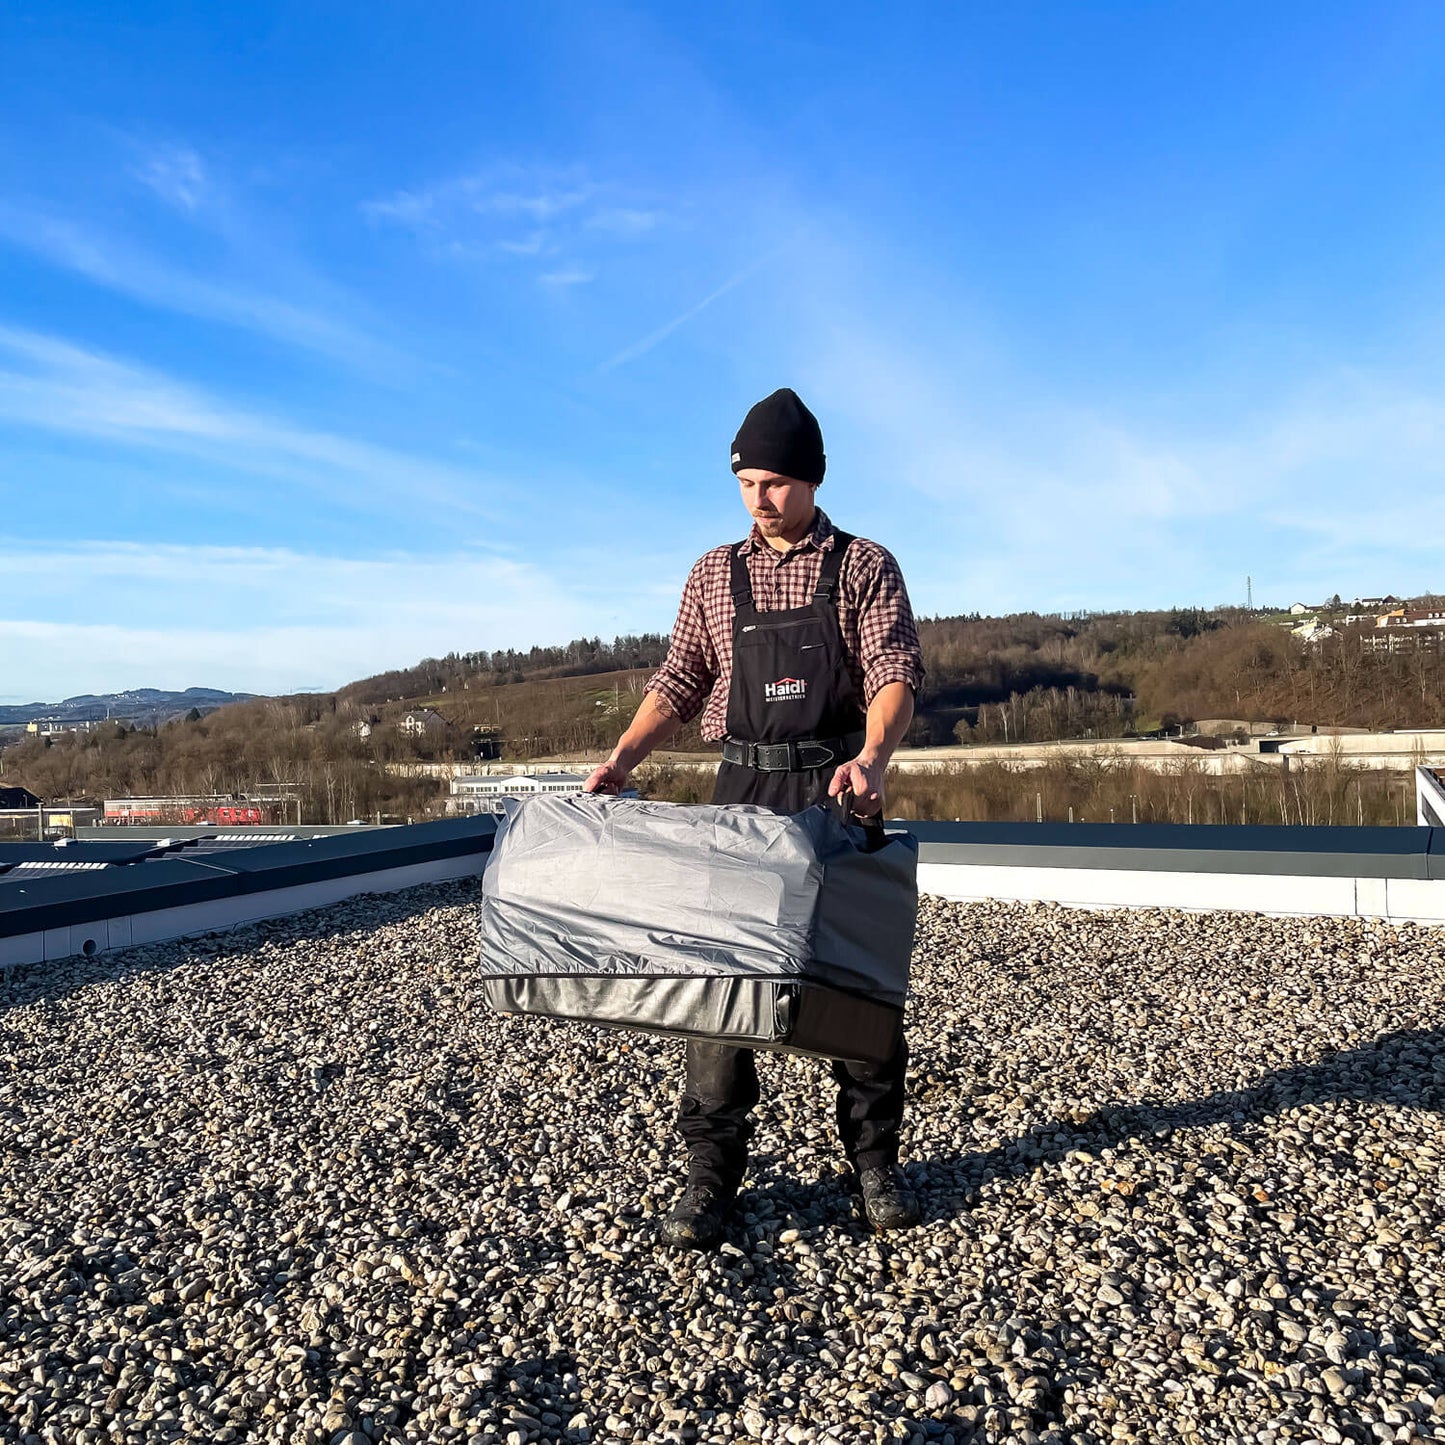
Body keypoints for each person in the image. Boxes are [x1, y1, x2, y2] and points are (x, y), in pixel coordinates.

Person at [584, 388, 925, 1249]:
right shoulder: (712, 572)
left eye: (774, 482)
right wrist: (624, 757)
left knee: (855, 984)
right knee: (715, 993)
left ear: (810, 479)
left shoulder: (862, 566)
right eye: (746, 483)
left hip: (837, 791)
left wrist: (873, 759)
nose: (759, 499)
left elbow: (894, 671)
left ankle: (874, 1163)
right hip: (739, 795)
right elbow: (680, 678)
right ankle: (710, 1177)